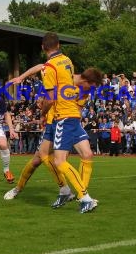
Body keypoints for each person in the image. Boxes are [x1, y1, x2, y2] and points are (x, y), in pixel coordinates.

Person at [4, 66, 101, 208]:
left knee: (87, 154)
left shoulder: (85, 90)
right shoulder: (65, 76)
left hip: (68, 123)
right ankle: (18, 189)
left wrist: (68, 135)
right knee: (39, 159)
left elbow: (77, 111)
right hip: (52, 122)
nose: (91, 89)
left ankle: (81, 194)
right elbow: (42, 66)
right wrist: (21, 77)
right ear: (86, 80)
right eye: (91, 86)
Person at [39, 32, 102, 213]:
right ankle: (73, 192)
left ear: (43, 47)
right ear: (58, 45)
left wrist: (42, 113)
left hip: (62, 117)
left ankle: (84, 197)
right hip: (73, 115)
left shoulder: (48, 67)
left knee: (59, 161)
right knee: (86, 154)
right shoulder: (67, 60)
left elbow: (50, 99)